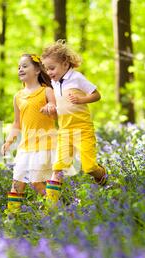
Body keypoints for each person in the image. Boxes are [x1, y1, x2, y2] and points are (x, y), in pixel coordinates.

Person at [41, 39, 108, 205]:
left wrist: (81, 99)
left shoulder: (77, 78)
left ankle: (106, 181)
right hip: (64, 131)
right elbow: (59, 109)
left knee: (90, 168)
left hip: (83, 129)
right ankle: (50, 209)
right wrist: (50, 110)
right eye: (46, 69)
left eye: (52, 68)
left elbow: (97, 95)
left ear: (64, 63)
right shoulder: (54, 84)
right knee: (57, 169)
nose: (49, 72)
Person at [1, 53, 58, 215]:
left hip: (45, 144)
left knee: (36, 182)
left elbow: (55, 112)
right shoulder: (18, 96)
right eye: (19, 67)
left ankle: (54, 211)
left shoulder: (46, 91)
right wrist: (8, 141)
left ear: (37, 70)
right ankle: (11, 217)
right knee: (17, 182)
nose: (20, 69)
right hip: (25, 146)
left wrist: (51, 109)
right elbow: (17, 124)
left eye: (25, 66)